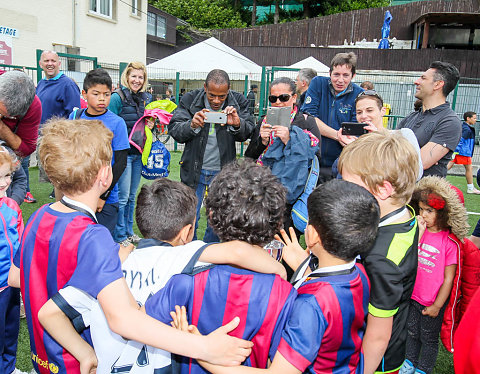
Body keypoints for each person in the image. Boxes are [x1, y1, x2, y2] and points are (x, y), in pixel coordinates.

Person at [7, 118, 253, 374]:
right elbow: (124, 320)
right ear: (105, 175)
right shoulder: (95, 237)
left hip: (43, 357)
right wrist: (204, 348)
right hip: (75, 360)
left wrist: (96, 271)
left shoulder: (40, 216)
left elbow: (17, 276)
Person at [38, 177, 286, 373]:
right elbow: (239, 251)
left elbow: (48, 314)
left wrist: (85, 354)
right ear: (187, 233)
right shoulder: (184, 256)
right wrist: (281, 270)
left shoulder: (109, 265)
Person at [173, 178, 380, 374]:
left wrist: (201, 350)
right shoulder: (360, 274)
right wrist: (301, 268)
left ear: (313, 235)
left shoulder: (310, 305)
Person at [143, 160, 298, 373]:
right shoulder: (285, 294)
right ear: (275, 222)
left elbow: (138, 325)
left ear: (213, 215)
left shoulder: (184, 280)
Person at [338, 132, 419, 374]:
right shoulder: (404, 215)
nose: (344, 192)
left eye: (350, 186)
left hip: (376, 361)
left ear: (383, 190)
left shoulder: (381, 258)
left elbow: (377, 336)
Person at [168, 69, 255, 242]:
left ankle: (210, 257)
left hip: (223, 172)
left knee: (217, 220)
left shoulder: (238, 101)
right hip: (194, 169)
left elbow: (249, 130)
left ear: (228, 90)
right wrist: (191, 125)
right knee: (189, 218)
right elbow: (175, 129)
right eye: (212, 95)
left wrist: (237, 124)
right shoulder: (190, 99)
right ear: (204, 87)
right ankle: (189, 256)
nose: (216, 101)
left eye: (221, 96)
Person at [400, 176, 468, 374]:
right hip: (413, 296)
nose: (423, 214)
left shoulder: (449, 242)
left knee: (428, 338)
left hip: (432, 301)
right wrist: (419, 232)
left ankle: (424, 368)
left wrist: (438, 305)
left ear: (444, 213)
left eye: (429, 211)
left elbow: (449, 278)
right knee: (411, 332)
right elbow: (409, 255)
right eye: (421, 209)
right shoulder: (419, 230)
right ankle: (409, 361)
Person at [245, 77, 320, 236]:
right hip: (262, 190)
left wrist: (289, 141)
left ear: (294, 97)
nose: (278, 102)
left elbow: (315, 156)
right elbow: (249, 156)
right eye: (273, 98)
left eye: (284, 97)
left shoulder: (305, 121)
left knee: (286, 240)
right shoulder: (264, 121)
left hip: (290, 191)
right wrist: (262, 141)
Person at [68, 68, 129, 234]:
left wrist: (103, 196)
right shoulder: (74, 118)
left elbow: (121, 163)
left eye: (107, 94)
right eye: (96, 94)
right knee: (77, 242)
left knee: (101, 244)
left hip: (106, 199)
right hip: (77, 194)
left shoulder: (117, 123)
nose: (102, 99)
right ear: (84, 93)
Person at [301, 52, 363, 182]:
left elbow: (353, 131)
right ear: (330, 73)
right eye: (336, 74)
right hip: (311, 160)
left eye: (346, 75)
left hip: (339, 165)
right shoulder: (318, 84)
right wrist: (337, 135)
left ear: (353, 76)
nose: (340, 80)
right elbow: (309, 118)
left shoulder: (359, 94)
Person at [336, 90, 423, 180]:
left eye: (369, 110)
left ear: (383, 111)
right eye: (359, 112)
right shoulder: (356, 141)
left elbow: (416, 173)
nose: (363, 116)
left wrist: (377, 141)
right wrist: (351, 150)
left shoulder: (404, 134)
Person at [109, 61, 151, 246]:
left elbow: (140, 124)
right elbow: (110, 123)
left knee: (133, 196)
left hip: (138, 153)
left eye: (140, 77)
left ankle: (128, 230)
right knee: (123, 196)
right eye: (133, 76)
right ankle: (119, 235)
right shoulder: (117, 97)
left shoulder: (143, 98)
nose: (137, 80)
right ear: (126, 77)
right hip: (123, 154)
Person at [397, 61, 462, 177]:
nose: (416, 81)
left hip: (424, 193)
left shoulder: (449, 121)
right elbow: (387, 151)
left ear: (437, 85)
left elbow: (420, 163)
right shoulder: (411, 118)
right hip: (400, 191)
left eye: (423, 78)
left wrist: (416, 158)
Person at [36, 50, 81, 201]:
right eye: (46, 61)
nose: (50, 64)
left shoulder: (67, 84)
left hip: (61, 141)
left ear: (59, 64)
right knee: (55, 179)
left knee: (62, 179)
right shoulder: (42, 84)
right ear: (41, 64)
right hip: (44, 138)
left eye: (53, 61)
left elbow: (74, 116)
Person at [0, 147, 24, 374]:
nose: (3, 183)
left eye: (6, 175)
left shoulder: (11, 207)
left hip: (12, 284)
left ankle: (9, 367)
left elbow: (20, 244)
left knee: (10, 331)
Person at [447, 111, 479, 194]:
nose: (476, 120)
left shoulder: (464, 127)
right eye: (474, 118)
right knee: (469, 168)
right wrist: (456, 151)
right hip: (463, 152)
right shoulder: (466, 129)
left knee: (448, 165)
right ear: (468, 118)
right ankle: (470, 188)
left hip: (460, 152)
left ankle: (435, 178)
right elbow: (461, 140)